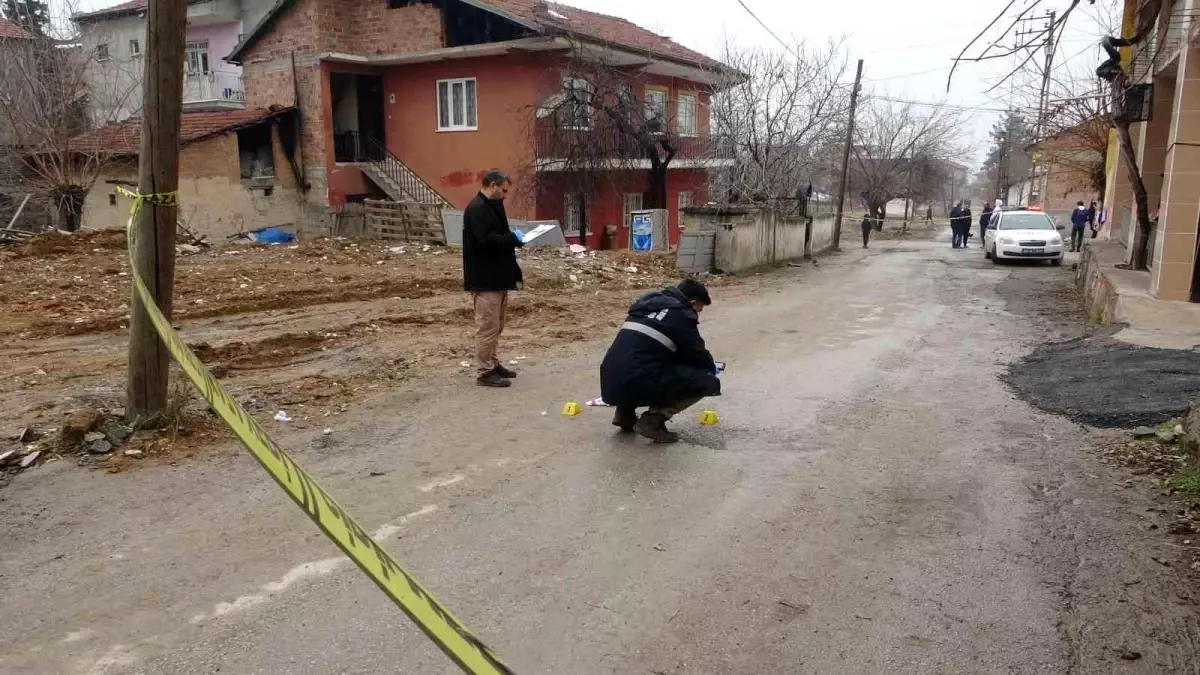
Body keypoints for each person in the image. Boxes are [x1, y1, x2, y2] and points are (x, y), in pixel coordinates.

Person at [600, 279, 721, 444]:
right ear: (693, 303)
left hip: (609, 380)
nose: (697, 314)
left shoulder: (646, 306)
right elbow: (696, 353)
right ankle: (653, 421)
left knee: (641, 363)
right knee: (706, 381)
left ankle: (625, 415)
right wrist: (711, 369)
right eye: (698, 310)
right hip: (635, 380)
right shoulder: (681, 314)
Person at [463, 169, 524, 388]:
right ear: (492, 185)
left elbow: (498, 237)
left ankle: (493, 363)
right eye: (504, 190)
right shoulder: (477, 209)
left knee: (496, 325)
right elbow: (486, 241)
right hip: (484, 277)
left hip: (498, 276)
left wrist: (513, 240)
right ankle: (484, 371)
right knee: (487, 327)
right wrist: (512, 239)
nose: (506, 195)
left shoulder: (492, 206)